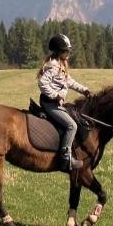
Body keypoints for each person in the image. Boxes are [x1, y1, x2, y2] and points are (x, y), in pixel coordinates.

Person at [37, 34, 92, 170]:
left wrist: (84, 90)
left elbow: (69, 81)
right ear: (59, 51)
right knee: (72, 126)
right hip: (50, 104)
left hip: (56, 103)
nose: (68, 52)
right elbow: (42, 83)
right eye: (66, 50)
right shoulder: (53, 66)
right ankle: (65, 158)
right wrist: (55, 95)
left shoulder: (61, 64)